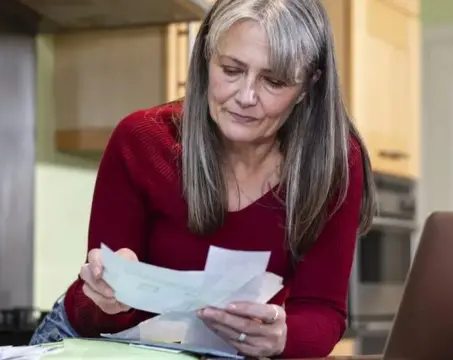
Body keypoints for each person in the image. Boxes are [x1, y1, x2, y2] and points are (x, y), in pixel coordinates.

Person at [29, 0, 376, 357]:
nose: (245, 97)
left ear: (307, 86)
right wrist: (108, 296)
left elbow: (323, 311)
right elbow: (89, 315)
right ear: (206, 57)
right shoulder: (141, 140)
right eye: (230, 70)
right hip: (95, 343)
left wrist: (284, 337)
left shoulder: (333, 162)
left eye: (273, 81)